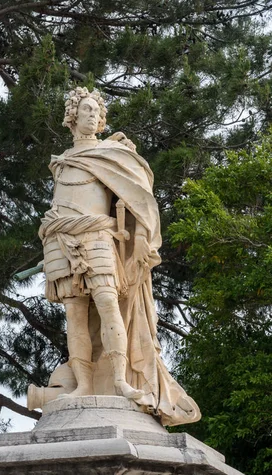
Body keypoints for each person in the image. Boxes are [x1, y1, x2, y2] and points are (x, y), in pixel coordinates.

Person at [35, 87, 200, 426]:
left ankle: (121, 381)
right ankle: (82, 385)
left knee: (109, 304)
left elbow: (140, 199)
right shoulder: (63, 162)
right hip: (60, 240)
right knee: (75, 314)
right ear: (72, 117)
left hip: (98, 236)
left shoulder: (111, 154)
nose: (93, 115)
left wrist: (141, 237)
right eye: (86, 109)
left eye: (97, 110)